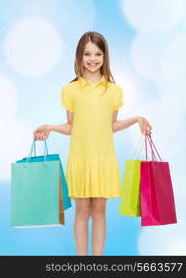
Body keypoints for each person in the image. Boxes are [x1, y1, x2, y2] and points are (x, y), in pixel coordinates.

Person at [33, 31, 152, 256]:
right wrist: (50, 127)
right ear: (79, 56)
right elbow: (71, 126)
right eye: (87, 54)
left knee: (99, 213)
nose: (92, 59)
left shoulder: (114, 91)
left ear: (105, 57)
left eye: (98, 54)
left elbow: (111, 125)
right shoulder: (71, 89)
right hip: (80, 159)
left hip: (103, 160)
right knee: (81, 213)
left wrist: (136, 119)